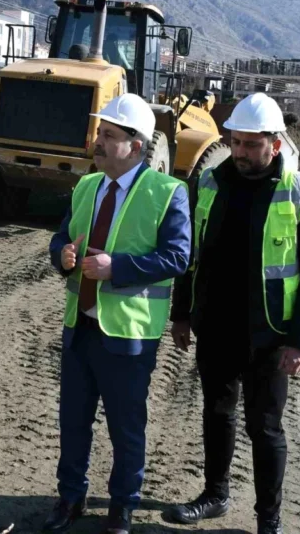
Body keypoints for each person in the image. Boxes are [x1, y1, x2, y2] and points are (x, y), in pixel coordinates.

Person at [166, 93, 300, 534]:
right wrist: (181, 315)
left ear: (274, 145)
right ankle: (215, 495)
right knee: (217, 413)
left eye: (250, 144)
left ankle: (268, 520)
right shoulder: (208, 183)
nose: (239, 152)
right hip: (217, 326)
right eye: (235, 142)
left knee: (265, 428)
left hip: (270, 334)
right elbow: (191, 256)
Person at [46, 93, 191, 534]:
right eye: (100, 133)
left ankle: (121, 508)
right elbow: (59, 239)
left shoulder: (168, 192)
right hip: (81, 327)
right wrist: (63, 255)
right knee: (73, 422)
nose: (99, 142)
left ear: (136, 144)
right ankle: (70, 498)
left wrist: (118, 268)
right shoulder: (87, 186)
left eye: (109, 135)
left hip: (128, 335)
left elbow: (178, 257)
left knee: (126, 428)